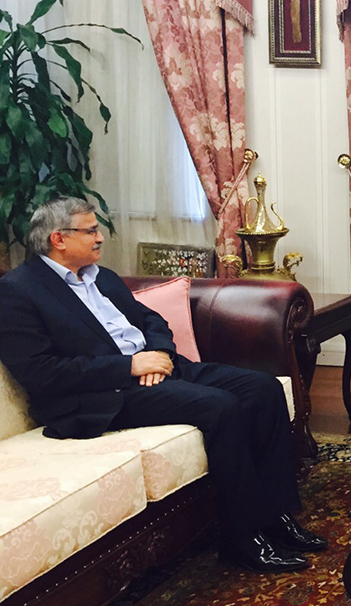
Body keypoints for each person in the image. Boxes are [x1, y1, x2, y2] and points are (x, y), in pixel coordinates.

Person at [0, 197, 326, 573]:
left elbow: (151, 320)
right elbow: (42, 372)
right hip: (100, 396)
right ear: (58, 239)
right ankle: (242, 538)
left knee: (263, 388)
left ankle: (277, 518)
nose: (100, 237)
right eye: (90, 231)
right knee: (220, 406)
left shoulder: (100, 276)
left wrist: (158, 353)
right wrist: (130, 366)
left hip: (158, 369)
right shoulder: (18, 292)